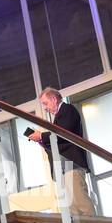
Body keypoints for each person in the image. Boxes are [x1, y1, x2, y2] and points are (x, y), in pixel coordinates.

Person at [25, 88, 95, 216]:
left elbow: (63, 133)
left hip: (71, 163)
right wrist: (43, 142)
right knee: (72, 208)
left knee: (80, 203)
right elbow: (58, 140)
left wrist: (41, 136)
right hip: (63, 166)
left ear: (54, 99)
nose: (45, 108)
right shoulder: (59, 118)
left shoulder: (67, 110)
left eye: (45, 103)